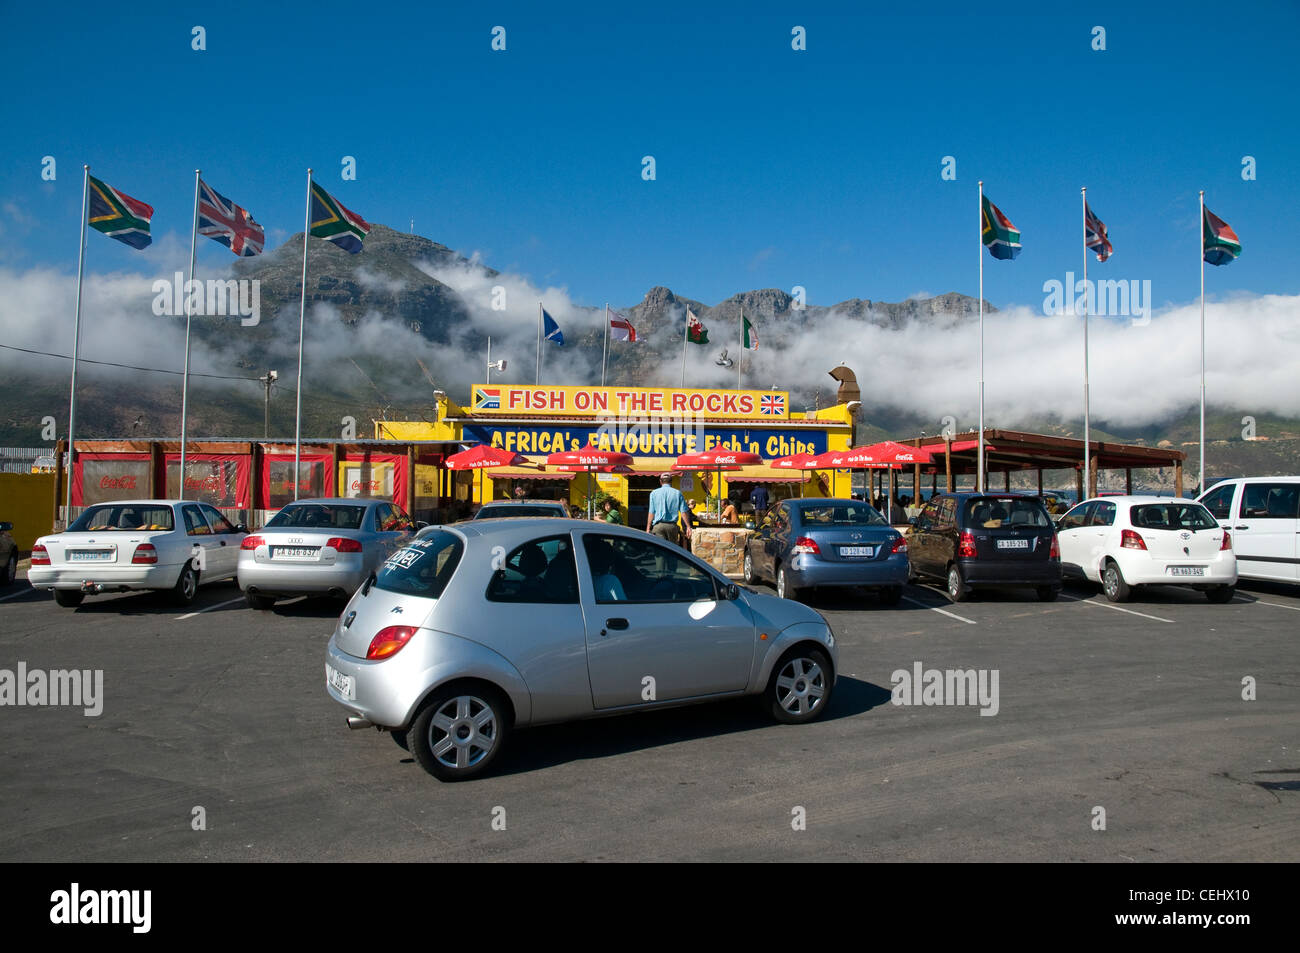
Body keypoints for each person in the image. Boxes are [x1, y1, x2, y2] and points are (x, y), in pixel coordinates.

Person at [646, 472, 691, 545]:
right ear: (671, 481)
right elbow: (683, 512)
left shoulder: (653, 493)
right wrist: (688, 526)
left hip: (658, 527)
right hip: (672, 527)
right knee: (672, 551)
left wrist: (648, 528)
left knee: (660, 550)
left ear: (660, 481)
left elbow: (651, 512)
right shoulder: (677, 493)